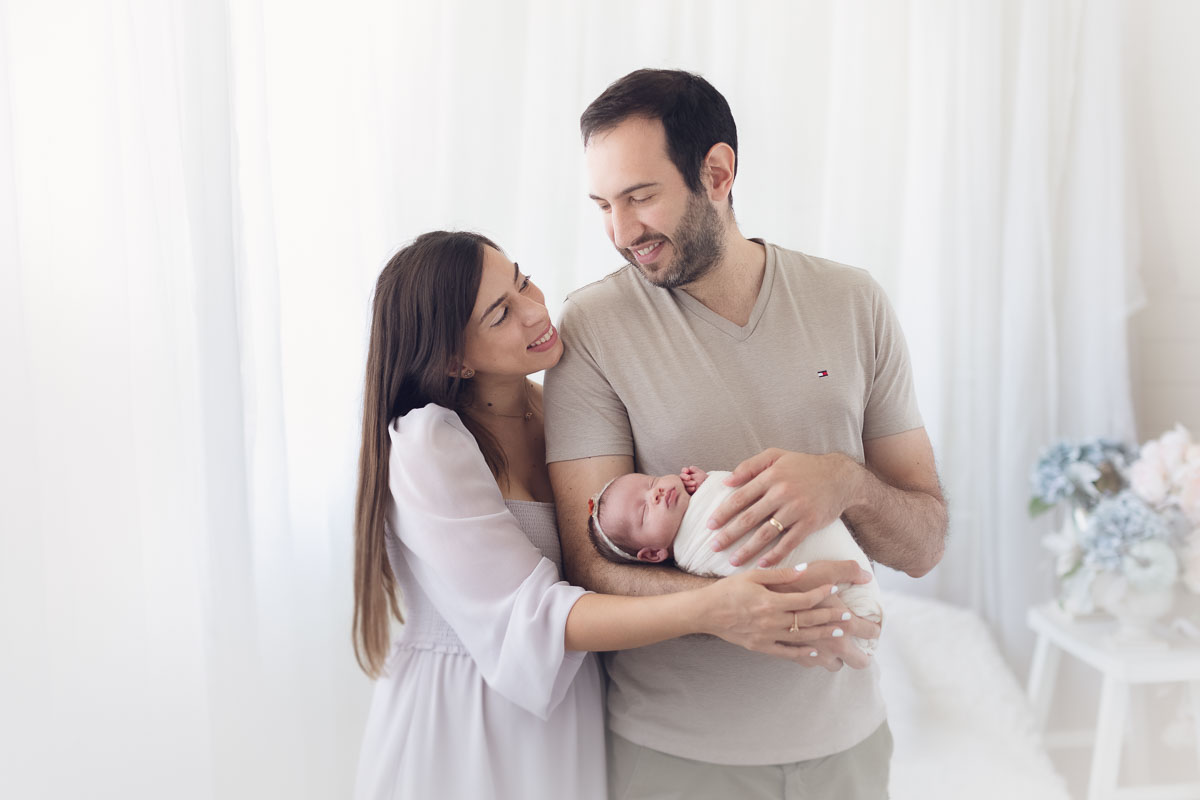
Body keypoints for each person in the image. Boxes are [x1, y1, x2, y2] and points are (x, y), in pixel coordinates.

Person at [351, 230, 873, 800]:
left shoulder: (560, 413)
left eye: (523, 280)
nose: (534, 311)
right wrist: (714, 609)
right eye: (501, 314)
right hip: (466, 723)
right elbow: (531, 617)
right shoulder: (431, 443)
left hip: (571, 715)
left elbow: (645, 533)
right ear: (453, 358)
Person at [545, 69, 948, 798]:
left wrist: (847, 482)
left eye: (640, 196)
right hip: (674, 759)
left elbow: (924, 544)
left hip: (849, 749)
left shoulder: (852, 302)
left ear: (718, 172)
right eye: (604, 205)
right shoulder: (592, 331)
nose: (621, 231)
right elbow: (588, 565)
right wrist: (721, 610)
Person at [586, 466, 881, 653]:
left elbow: (733, 488)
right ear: (653, 554)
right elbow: (729, 573)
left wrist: (708, 482)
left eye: (650, 482)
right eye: (644, 511)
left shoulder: (697, 490)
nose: (657, 493)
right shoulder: (691, 556)